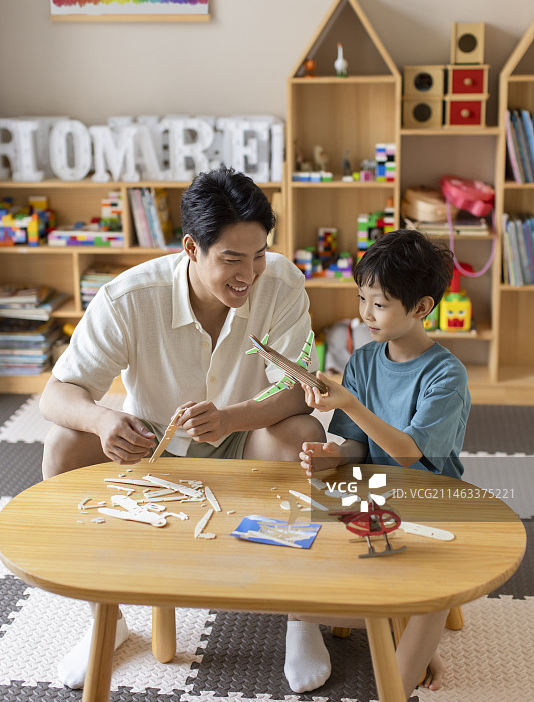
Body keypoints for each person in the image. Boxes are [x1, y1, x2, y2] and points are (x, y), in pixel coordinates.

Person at [39, 166, 325, 689]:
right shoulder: (128, 298)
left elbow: (299, 388)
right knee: (63, 445)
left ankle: (301, 615)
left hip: (245, 436)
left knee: (303, 434)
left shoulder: (281, 283)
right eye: (232, 259)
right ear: (191, 248)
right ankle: (105, 617)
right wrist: (104, 420)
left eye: (259, 253)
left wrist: (231, 417)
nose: (250, 273)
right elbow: (58, 393)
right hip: (149, 444)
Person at [288, 229, 471, 699]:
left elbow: (408, 453)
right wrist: (333, 455)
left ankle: (400, 674)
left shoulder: (445, 375)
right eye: (361, 298)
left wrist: (348, 404)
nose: (364, 314)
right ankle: (394, 623)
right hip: (373, 491)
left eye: (379, 304)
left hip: (431, 495)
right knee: (301, 541)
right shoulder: (365, 359)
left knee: (433, 588)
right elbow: (358, 448)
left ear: (421, 308)